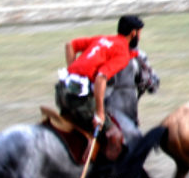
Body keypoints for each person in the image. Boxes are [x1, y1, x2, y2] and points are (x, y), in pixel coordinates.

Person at [56, 15, 144, 159]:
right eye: (139, 33)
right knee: (114, 133)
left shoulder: (103, 39)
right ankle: (101, 172)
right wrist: (100, 113)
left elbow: (70, 45)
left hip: (61, 91)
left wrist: (73, 71)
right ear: (133, 33)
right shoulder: (121, 54)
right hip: (77, 100)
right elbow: (101, 78)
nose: (139, 36)